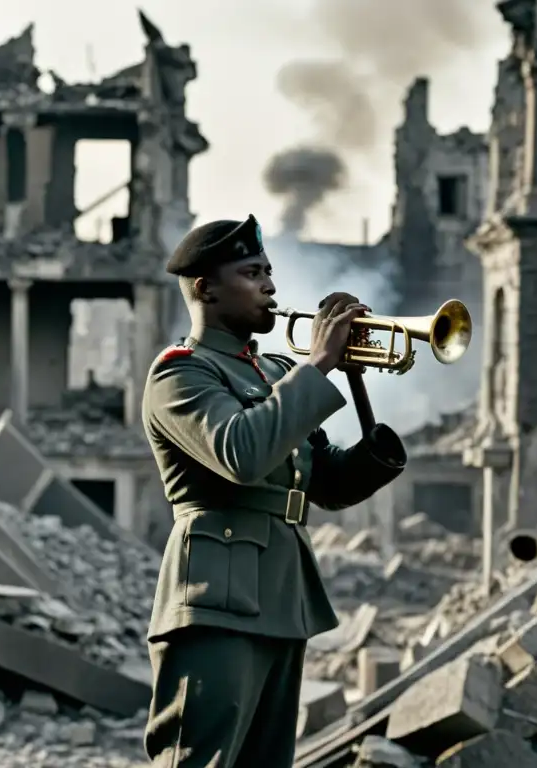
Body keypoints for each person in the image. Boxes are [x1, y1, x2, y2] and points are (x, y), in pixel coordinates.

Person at [141, 214, 408, 767]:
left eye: (269, 270)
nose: (271, 285)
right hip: (216, 596)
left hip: (283, 594)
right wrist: (317, 366)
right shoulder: (180, 374)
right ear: (205, 289)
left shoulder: (274, 371)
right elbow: (241, 453)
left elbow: (326, 485)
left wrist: (351, 383)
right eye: (251, 272)